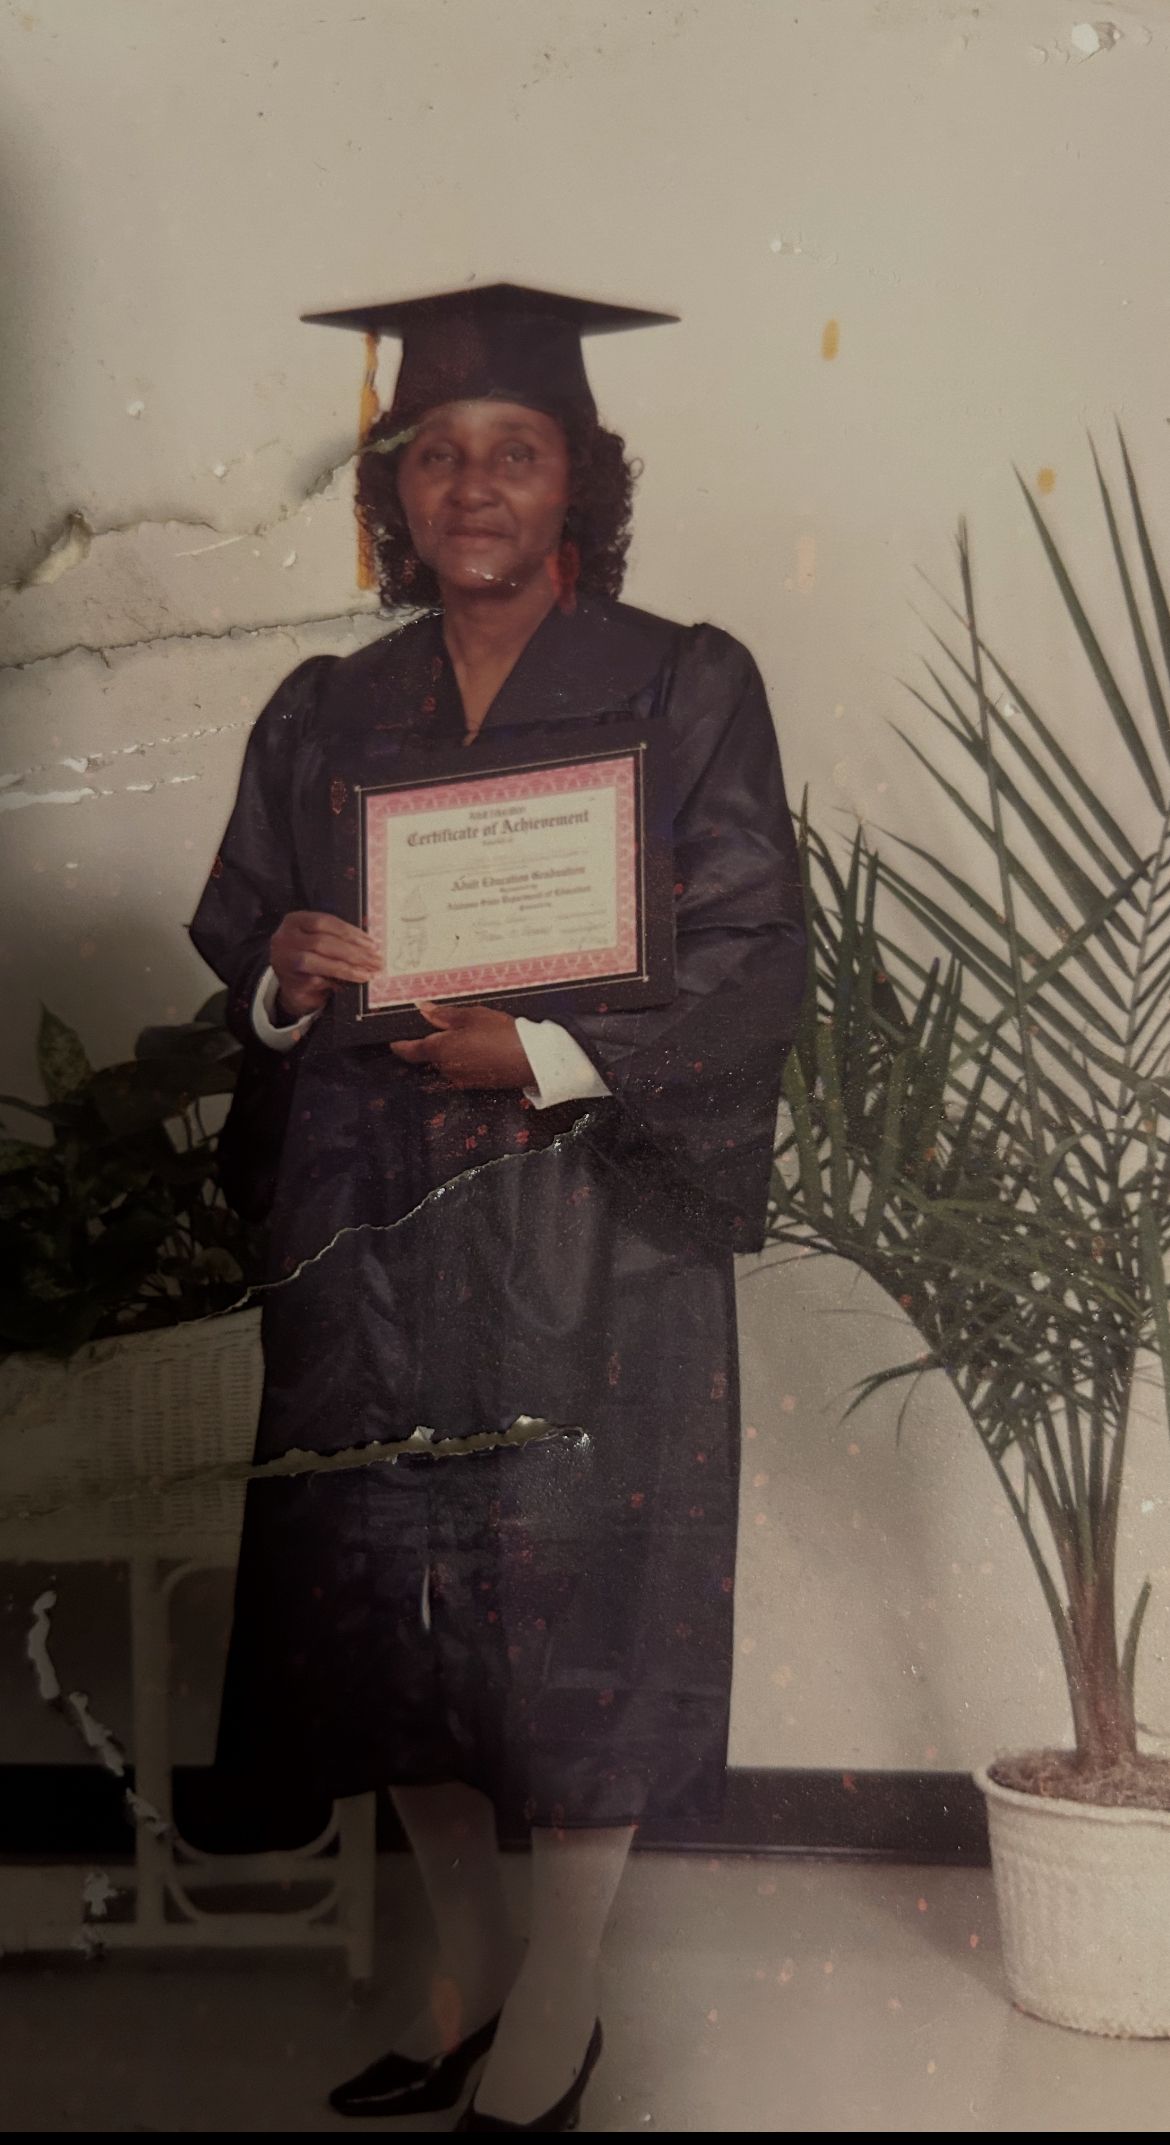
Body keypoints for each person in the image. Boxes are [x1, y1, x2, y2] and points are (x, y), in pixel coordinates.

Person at [189, 282, 806, 2132]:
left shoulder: (683, 681)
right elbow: (249, 941)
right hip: (370, 1217)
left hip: (586, 1217)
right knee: (396, 1595)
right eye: (435, 454)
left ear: (576, 480)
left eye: (514, 451)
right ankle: (463, 1969)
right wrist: (286, 978)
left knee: (576, 1584)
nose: (473, 486)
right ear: (392, 491)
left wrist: (537, 1050)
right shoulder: (327, 706)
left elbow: (752, 949)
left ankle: (564, 1991)